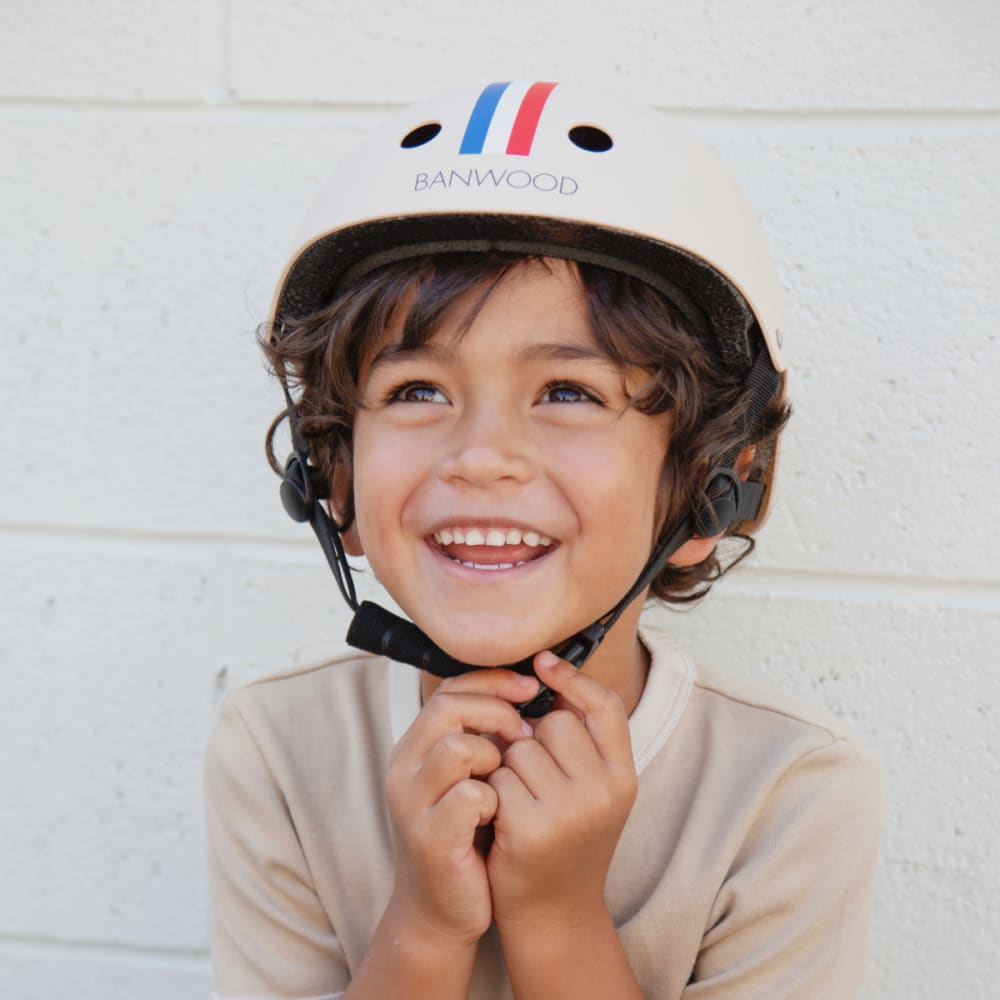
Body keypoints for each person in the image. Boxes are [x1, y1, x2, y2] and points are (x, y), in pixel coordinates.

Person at [204, 81, 881, 999]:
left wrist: (558, 919)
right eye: (416, 391)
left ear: (711, 487)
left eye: (569, 393)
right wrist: (425, 924)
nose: (482, 458)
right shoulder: (279, 751)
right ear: (334, 477)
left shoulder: (789, 790)